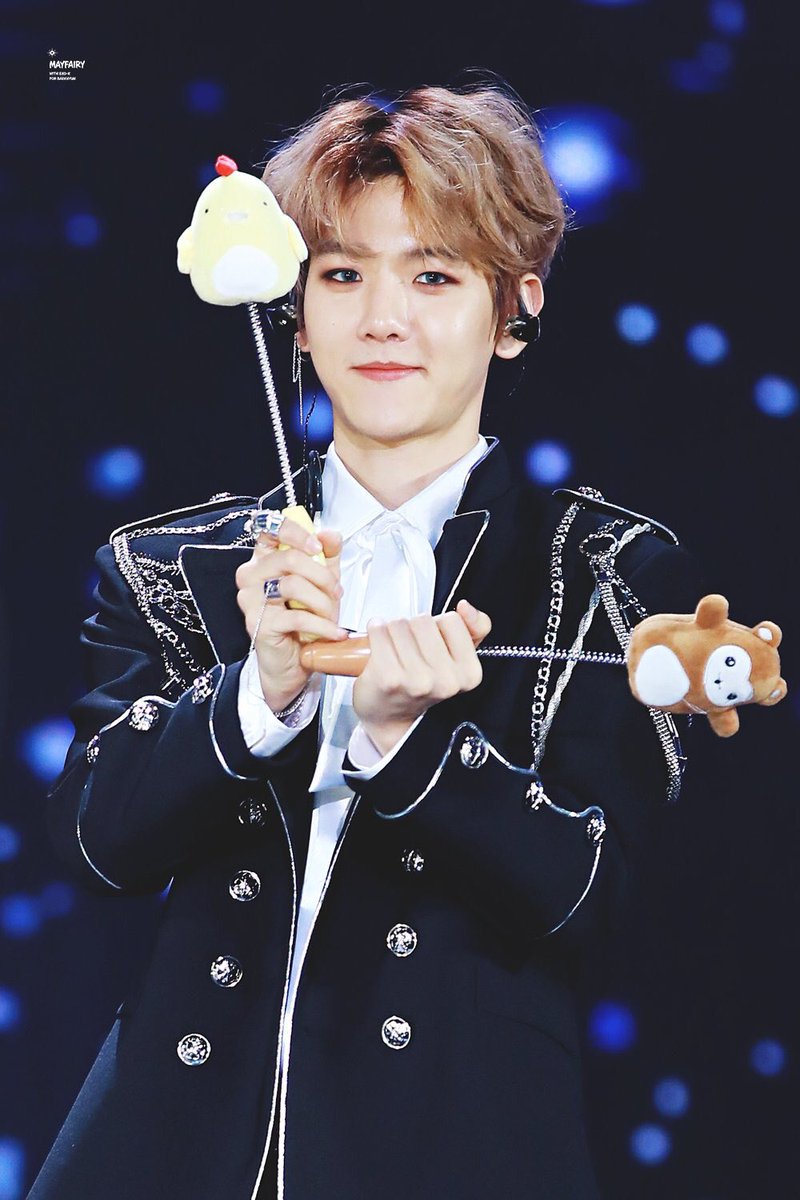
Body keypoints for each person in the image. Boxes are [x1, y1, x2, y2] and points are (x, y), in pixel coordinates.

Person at [30, 82, 700, 1199]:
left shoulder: (601, 571)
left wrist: (413, 747)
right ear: (294, 309)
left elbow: (593, 898)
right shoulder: (175, 563)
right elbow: (97, 844)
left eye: (433, 276)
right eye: (342, 274)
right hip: (170, 1147)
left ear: (515, 308)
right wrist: (258, 696)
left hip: (457, 1149)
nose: (383, 319)